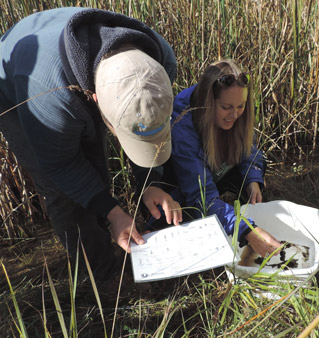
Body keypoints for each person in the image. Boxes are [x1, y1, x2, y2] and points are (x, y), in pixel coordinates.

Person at [0, 7, 182, 281]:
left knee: (97, 162)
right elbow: (61, 165)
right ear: (96, 101)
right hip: (20, 90)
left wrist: (151, 182)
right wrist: (112, 211)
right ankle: (101, 276)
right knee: (62, 192)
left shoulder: (160, 60)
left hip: (79, 70)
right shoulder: (48, 96)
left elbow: (145, 124)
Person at [160, 59, 281, 257]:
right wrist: (245, 230)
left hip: (217, 168)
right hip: (186, 184)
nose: (234, 115)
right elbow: (201, 195)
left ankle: (244, 209)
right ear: (208, 102)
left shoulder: (237, 114)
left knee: (256, 167)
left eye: (240, 106)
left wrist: (253, 180)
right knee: (187, 215)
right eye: (226, 107)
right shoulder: (183, 123)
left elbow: (250, 149)